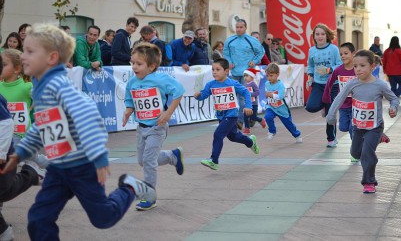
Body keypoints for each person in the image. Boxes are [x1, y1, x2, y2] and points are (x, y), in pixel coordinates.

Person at [0, 24, 156, 240]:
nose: (23, 57)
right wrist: (20, 153)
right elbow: (41, 125)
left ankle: (129, 187)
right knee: (39, 219)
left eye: (30, 52)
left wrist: (100, 159)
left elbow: (91, 121)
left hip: (82, 166)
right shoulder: (39, 86)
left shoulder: (62, 89)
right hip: (58, 168)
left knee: (103, 217)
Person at [122, 43, 185, 211]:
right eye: (132, 63)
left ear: (152, 66)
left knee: (149, 161)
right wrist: (128, 112)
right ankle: (173, 156)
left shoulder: (161, 79)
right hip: (141, 127)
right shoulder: (132, 82)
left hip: (157, 127)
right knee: (142, 161)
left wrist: (168, 113)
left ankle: (149, 196)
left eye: (139, 64)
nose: (134, 67)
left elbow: (179, 91)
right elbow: (130, 100)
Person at [326, 50, 399, 194]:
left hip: (375, 126)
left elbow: (394, 98)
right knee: (355, 152)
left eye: (362, 65)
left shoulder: (380, 85)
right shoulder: (352, 84)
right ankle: (378, 140)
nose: (358, 69)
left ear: (372, 66)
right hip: (358, 126)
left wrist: (393, 108)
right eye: (355, 66)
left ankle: (369, 182)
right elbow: (339, 98)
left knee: (367, 153)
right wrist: (331, 116)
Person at [0, 53, 44, 241]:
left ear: (17, 69)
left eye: (6, 64)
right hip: (9, 140)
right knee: (3, 190)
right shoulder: (1, 87)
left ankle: (33, 171)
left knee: (6, 189)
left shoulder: (25, 86)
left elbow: (6, 123)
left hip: (14, 139)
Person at [194, 58, 260, 170]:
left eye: (218, 69)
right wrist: (198, 95)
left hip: (232, 114)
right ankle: (250, 142)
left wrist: (248, 106)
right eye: (213, 69)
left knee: (218, 134)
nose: (214, 72)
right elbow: (203, 95)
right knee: (233, 137)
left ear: (226, 71)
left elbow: (245, 92)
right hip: (221, 115)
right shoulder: (211, 84)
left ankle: (214, 161)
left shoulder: (232, 83)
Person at [223, 19, 265, 128]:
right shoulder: (230, 40)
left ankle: (240, 120)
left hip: (247, 72)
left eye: (241, 27)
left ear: (246, 28)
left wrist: (254, 61)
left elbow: (261, 51)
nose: (239, 29)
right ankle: (250, 117)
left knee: (242, 96)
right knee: (234, 96)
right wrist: (229, 62)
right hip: (235, 72)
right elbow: (226, 53)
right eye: (237, 27)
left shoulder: (251, 40)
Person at [305, 23, 342, 145]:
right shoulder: (312, 50)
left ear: (327, 36)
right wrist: (310, 76)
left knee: (330, 114)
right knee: (310, 107)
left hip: (332, 84)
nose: (320, 36)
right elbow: (310, 65)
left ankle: (331, 139)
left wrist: (329, 70)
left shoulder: (333, 49)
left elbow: (340, 64)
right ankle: (323, 105)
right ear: (314, 36)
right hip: (318, 84)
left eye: (322, 34)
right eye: (317, 34)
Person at [322, 42, 356, 150]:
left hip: (356, 105)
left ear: (353, 54)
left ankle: (355, 150)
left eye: (346, 53)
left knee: (352, 128)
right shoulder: (338, 70)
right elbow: (329, 84)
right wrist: (326, 99)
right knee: (343, 127)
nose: (343, 56)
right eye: (341, 54)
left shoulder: (357, 69)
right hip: (343, 105)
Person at [264, 63, 302, 142]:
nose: (269, 78)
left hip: (281, 108)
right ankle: (272, 131)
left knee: (288, 124)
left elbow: (280, 96)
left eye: (271, 75)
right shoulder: (267, 84)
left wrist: (271, 95)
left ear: (277, 75)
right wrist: (267, 96)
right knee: (267, 117)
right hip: (271, 106)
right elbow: (267, 94)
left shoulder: (280, 85)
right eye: (267, 76)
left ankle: (297, 135)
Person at [242, 68, 266, 134]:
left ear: (252, 77)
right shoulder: (244, 84)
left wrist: (250, 94)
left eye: (247, 76)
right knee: (245, 116)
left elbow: (258, 92)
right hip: (247, 104)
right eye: (244, 76)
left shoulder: (253, 84)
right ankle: (247, 128)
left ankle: (261, 120)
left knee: (253, 117)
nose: (245, 78)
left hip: (254, 104)